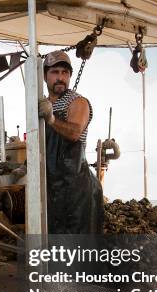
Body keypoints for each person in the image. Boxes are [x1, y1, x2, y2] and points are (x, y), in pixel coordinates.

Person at [37, 50, 104, 234]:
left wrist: (51, 119)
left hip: (78, 192)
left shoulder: (77, 102)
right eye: (55, 72)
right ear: (44, 76)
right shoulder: (41, 105)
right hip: (54, 190)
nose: (60, 78)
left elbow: (74, 132)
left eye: (65, 73)